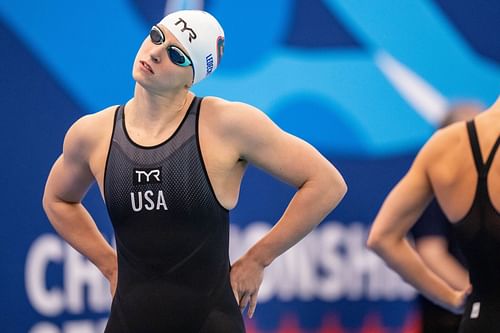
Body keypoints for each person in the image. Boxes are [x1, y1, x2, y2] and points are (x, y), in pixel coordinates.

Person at [42, 10, 347, 333]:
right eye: (157, 36)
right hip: (128, 322)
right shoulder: (92, 134)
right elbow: (58, 200)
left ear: (192, 78)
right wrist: (108, 264)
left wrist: (259, 258)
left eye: (176, 54)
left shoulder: (227, 125)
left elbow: (326, 183)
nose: (156, 53)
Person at [367, 96, 500, 332]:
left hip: (478, 319)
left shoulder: (443, 145)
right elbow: (431, 252)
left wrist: (450, 298)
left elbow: (381, 238)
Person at [410, 101, 481, 333]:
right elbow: (432, 254)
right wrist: (480, 291)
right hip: (448, 314)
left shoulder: (486, 188)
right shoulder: (434, 190)